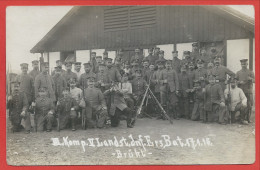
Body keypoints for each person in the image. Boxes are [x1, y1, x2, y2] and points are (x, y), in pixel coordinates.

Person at [236, 59, 255, 123]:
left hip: (248, 91)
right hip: (241, 91)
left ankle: (248, 119)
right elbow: (235, 81)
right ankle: (242, 118)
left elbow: (255, 80)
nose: (243, 65)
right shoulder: (238, 72)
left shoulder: (250, 72)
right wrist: (239, 82)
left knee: (249, 105)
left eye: (245, 64)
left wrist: (251, 79)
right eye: (242, 64)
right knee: (242, 105)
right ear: (241, 65)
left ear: (247, 64)